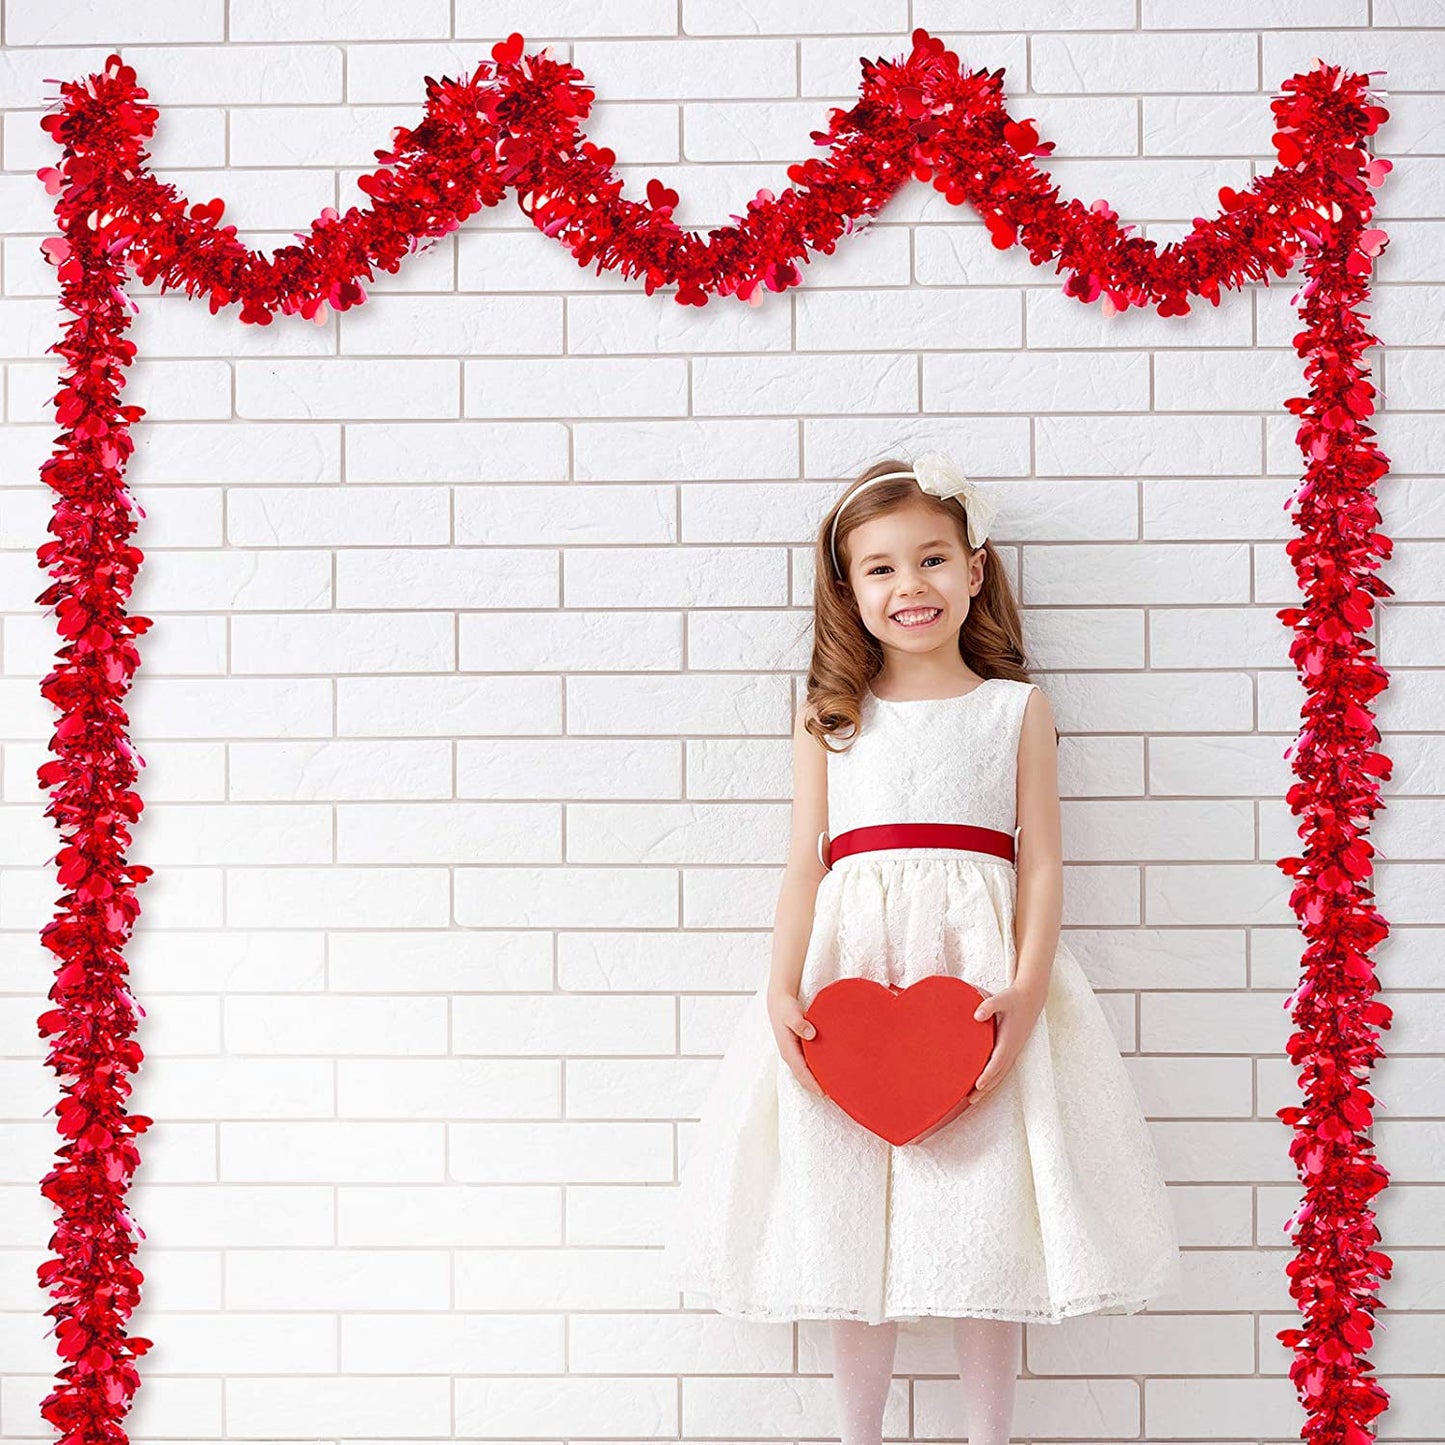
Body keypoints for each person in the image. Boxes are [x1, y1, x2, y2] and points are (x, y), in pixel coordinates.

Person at [660, 451, 1184, 1445]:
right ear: (847, 589)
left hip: (975, 982)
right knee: (847, 1213)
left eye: (932, 559)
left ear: (974, 570)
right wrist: (780, 985)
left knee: (983, 1215)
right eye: (881, 568)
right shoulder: (828, 717)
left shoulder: (1012, 709)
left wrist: (1023, 991)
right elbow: (803, 864)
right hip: (846, 980)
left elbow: (1037, 864)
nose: (910, 586)